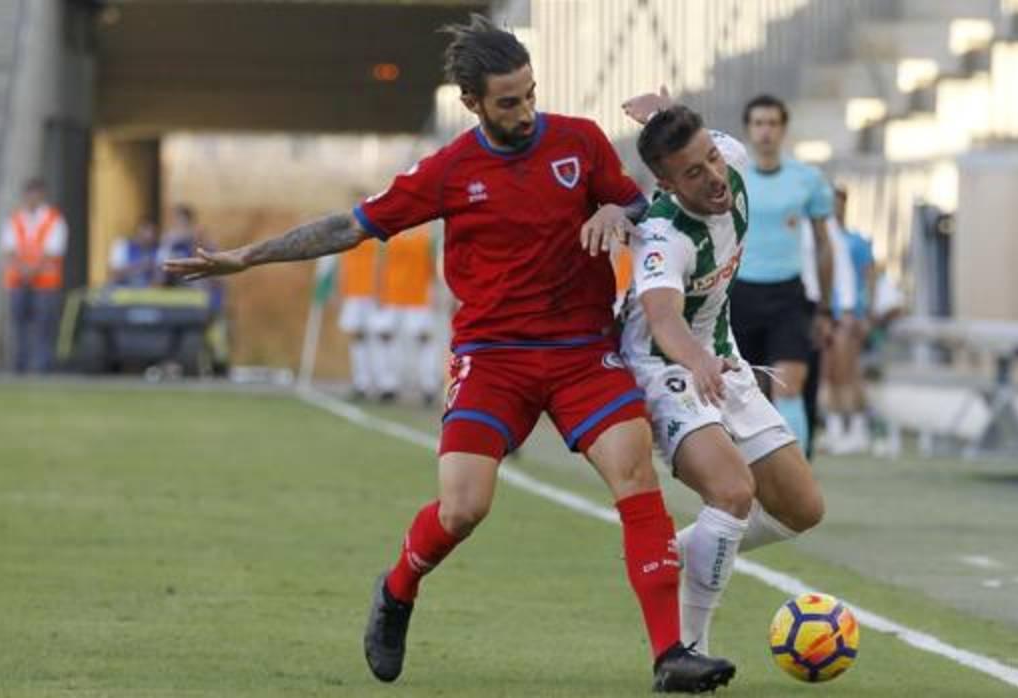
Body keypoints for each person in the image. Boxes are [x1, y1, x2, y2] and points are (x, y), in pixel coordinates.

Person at [164, 14, 734, 693]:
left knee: (636, 478)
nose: (525, 112)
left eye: (529, 93)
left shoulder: (579, 142)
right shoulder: (448, 170)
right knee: (464, 508)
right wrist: (249, 256)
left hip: (583, 352)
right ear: (471, 104)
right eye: (508, 102)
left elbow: (643, 207)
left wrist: (621, 213)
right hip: (493, 358)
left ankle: (670, 655)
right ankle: (398, 588)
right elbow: (351, 225)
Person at [619, 93, 824, 657]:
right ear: (666, 184)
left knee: (803, 509)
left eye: (711, 156)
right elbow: (662, 317)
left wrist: (671, 109)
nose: (713, 175)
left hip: (720, 354)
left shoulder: (730, 156)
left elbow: (702, 142)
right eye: (693, 171)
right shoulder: (662, 237)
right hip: (665, 368)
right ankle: (689, 652)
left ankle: (670, 553)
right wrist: (698, 361)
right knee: (733, 493)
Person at [728, 95, 838, 457]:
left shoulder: (806, 179)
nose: (765, 132)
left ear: (783, 129)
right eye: (758, 123)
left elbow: (824, 244)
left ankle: (797, 475)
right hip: (740, 293)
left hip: (788, 295)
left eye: (772, 124)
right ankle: (754, 477)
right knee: (748, 393)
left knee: (790, 386)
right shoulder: (732, 176)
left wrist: (824, 308)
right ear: (748, 129)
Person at [824, 186, 876, 454]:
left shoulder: (857, 242)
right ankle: (835, 429)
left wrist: (865, 314)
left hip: (849, 316)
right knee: (831, 372)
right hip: (828, 315)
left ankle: (857, 427)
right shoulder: (823, 239)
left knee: (848, 372)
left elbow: (869, 280)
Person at [1, 178, 67, 373]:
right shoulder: (15, 219)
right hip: (18, 281)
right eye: (29, 194)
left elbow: (54, 250)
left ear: (42, 195)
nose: (32, 198)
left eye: (36, 194)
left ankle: (42, 368)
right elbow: (8, 249)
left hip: (45, 282)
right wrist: (23, 270)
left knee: (43, 325)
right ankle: (19, 366)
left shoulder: (54, 219)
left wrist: (32, 270)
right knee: (19, 325)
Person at [372, 226, 442, 405]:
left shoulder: (427, 236)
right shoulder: (389, 234)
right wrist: (379, 292)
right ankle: (388, 385)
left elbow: (434, 266)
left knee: (423, 339)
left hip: (418, 297)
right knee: (386, 337)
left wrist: (435, 294)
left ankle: (428, 386)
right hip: (392, 295)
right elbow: (381, 264)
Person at [337, 236, 381, 400]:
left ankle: (384, 383)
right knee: (357, 338)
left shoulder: (376, 235)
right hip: (353, 294)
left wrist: (380, 292)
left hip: (373, 295)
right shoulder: (347, 235)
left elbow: (381, 264)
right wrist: (340, 291)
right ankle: (361, 382)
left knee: (377, 338)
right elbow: (343, 267)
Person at [108, 218, 162, 288]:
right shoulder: (122, 245)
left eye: (153, 232)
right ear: (138, 231)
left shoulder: (159, 249)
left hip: (148, 293)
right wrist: (139, 267)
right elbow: (113, 275)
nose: (150, 236)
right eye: (146, 231)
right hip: (124, 292)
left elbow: (160, 280)